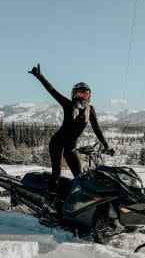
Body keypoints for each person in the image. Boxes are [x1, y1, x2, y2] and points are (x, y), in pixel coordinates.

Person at [28, 63, 113, 208]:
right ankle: (49, 203)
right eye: (78, 94)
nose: (81, 97)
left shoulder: (90, 111)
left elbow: (97, 129)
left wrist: (106, 145)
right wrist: (39, 76)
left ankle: (76, 202)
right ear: (73, 95)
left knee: (79, 176)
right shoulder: (68, 105)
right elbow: (52, 91)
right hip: (57, 143)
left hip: (70, 147)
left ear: (88, 97)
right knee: (56, 172)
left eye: (84, 94)